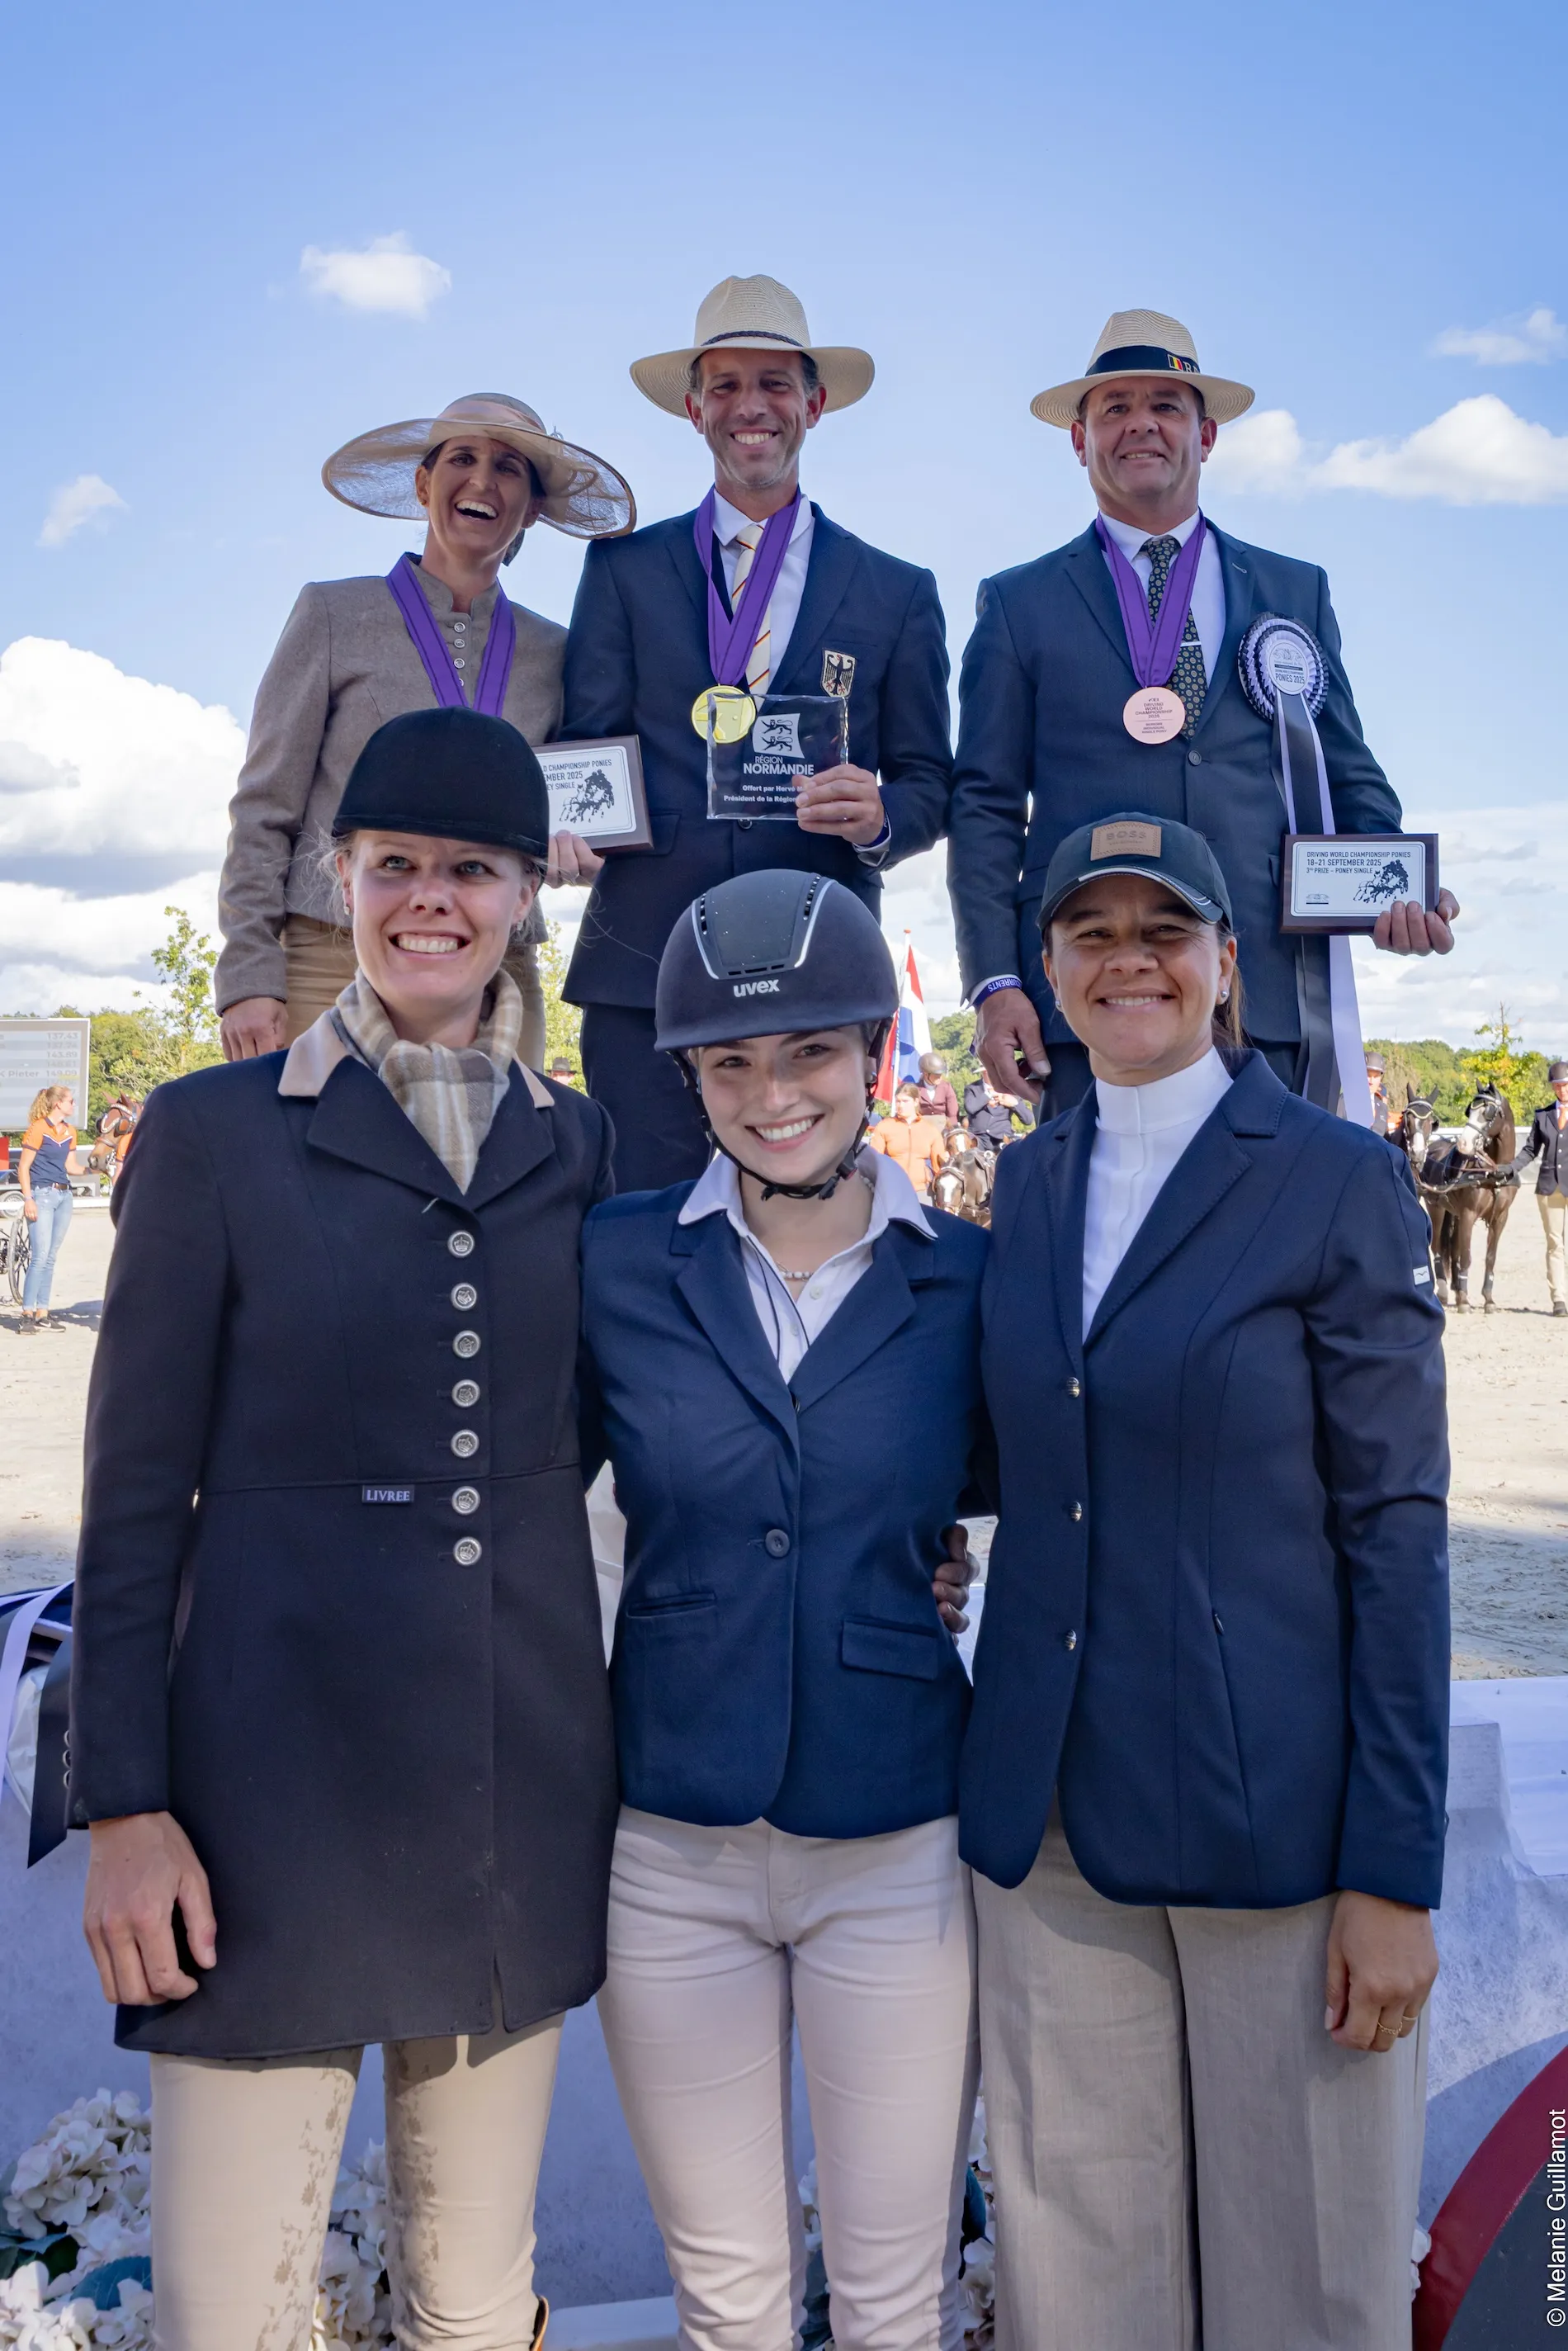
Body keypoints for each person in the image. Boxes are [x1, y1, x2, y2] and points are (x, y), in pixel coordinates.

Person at [69, 709, 618, 2351]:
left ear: (527, 892)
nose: (430, 900)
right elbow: (127, 1497)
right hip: (260, 1819)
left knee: (469, 2303)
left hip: (503, 1810)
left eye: (471, 868)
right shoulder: (213, 1132)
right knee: (231, 2311)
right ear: (341, 879)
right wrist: (125, 1804)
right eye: (397, 866)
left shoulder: (579, 1143)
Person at [961, 813, 1448, 2350]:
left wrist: (1394, 1867)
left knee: (1306, 2284)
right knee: (1081, 2283)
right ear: (1047, 968)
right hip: (1053, 1833)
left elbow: (1398, 1527)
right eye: (1091, 933)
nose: (1128, 961)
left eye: (1162, 929)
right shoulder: (1027, 1188)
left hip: (1282, 1837)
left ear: (1228, 962)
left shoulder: (1337, 1178)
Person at [579, 870, 988, 2351]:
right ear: (690, 1073)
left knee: (893, 2301)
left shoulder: (968, 1281)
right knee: (730, 2301)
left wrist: (944, 1568)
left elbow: (1021, 1507)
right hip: (673, 1845)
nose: (773, 1094)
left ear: (872, 1051)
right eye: (732, 1061)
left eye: (809, 1050)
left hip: (892, 1840)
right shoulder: (618, 1257)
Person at [947, 309, 1460, 1119]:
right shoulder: (1017, 604)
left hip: (1271, 998)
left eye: (1165, 404)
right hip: (1095, 1003)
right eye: (1113, 406)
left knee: (1281, 1244)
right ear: (1078, 439)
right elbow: (982, 807)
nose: (1139, 424)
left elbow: (1346, 770)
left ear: (1206, 433)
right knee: (1107, 1244)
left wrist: (1396, 887)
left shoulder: (1297, 591)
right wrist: (995, 985)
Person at [558, 275, 954, 1190]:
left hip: (817, 966)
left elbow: (935, 783)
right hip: (642, 970)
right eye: (727, 385)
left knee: (805, 1230)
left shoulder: (898, 591)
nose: (751, 406)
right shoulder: (621, 569)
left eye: (775, 383)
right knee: (641, 1232)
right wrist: (569, 827)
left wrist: (880, 813)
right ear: (694, 408)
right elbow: (586, 752)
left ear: (813, 404)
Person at [215, 392, 635, 1069]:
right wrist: (248, 977)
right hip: (331, 959)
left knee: (502, 1168)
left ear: (532, 507)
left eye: (508, 468)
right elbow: (264, 807)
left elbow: (574, 804)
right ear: (423, 484)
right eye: (461, 458)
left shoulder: (557, 652)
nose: (482, 481)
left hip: (496, 970)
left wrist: (573, 851)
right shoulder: (332, 614)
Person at [16, 1084, 87, 1329]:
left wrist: (95, 1170)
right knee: (40, 1255)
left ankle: (42, 1311)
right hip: (41, 1195)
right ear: (58, 1103)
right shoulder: (38, 1129)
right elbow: (23, 1167)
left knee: (51, 1256)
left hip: (64, 1197)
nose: (73, 1105)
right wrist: (28, 1199)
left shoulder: (70, 1131)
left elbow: (71, 1167)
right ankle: (27, 1312)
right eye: (70, 1101)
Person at [1509, 1057, 1568, 1316]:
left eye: (1565, 1085)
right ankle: (1559, 1298)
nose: (1562, 1090)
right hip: (1549, 1187)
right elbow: (1531, 1150)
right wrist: (1512, 1166)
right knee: (1555, 1243)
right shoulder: (1543, 1116)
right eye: (1558, 1085)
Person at [865, 1079, 950, 1198]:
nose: (900, 1105)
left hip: (922, 1191)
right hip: (892, 1189)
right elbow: (874, 1160)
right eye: (898, 1101)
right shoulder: (884, 1126)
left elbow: (939, 1166)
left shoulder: (930, 1129)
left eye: (905, 1101)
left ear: (915, 1102)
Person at [962, 1073, 1035, 1149]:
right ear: (983, 1073)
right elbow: (970, 1108)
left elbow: (1028, 1120)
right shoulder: (972, 1088)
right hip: (978, 1141)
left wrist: (1015, 1104)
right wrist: (988, 1094)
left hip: (1003, 1140)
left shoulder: (1010, 1089)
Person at [915, 1051, 961, 1124]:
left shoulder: (946, 1087)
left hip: (943, 1127)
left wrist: (953, 1129)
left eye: (940, 1074)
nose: (940, 1077)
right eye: (936, 1074)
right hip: (922, 1126)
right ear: (926, 1074)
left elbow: (952, 1114)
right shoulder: (916, 1089)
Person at [1365, 1049, 1391, 1136]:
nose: (1371, 1081)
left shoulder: (1383, 1108)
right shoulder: (1343, 1102)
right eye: (1368, 1076)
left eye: (1376, 1077)